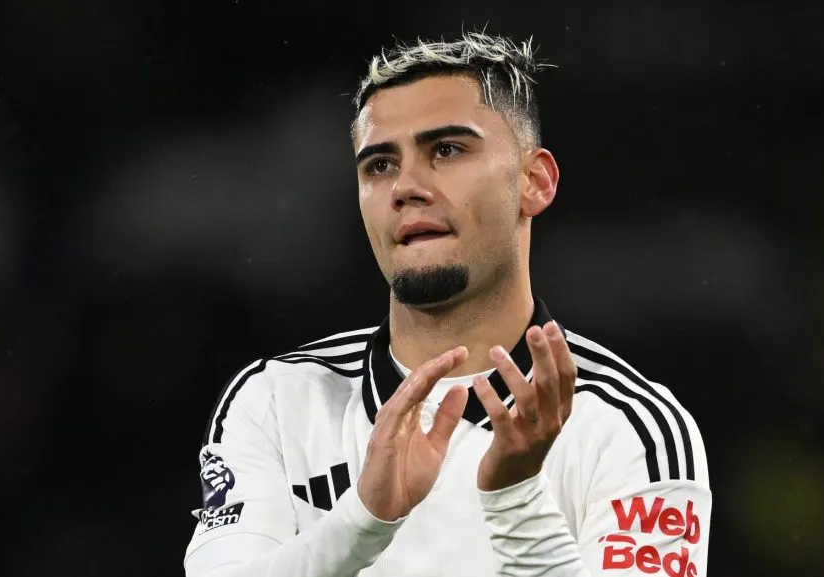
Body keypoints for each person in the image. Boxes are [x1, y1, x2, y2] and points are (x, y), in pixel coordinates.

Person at [183, 32, 711, 577]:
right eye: (380, 165)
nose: (405, 187)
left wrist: (517, 501)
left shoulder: (631, 428)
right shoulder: (277, 400)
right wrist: (362, 521)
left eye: (447, 151)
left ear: (535, 182)